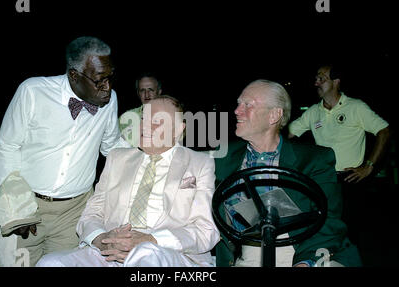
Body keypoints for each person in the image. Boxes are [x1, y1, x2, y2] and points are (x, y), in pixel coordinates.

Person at [0, 36, 130, 266]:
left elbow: (112, 146)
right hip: (29, 207)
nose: (108, 87)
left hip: (74, 212)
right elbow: (7, 148)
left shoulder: (109, 100)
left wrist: (153, 154)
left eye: (110, 77)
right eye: (99, 80)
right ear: (74, 75)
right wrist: (15, 208)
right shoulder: (33, 91)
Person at [36, 96, 220, 267]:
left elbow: (206, 231)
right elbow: (91, 214)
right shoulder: (117, 158)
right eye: (143, 119)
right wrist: (102, 239)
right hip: (111, 250)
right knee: (50, 262)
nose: (145, 128)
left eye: (156, 122)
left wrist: (150, 240)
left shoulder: (200, 163)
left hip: (167, 252)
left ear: (179, 128)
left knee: (146, 255)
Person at [214, 79, 362, 267]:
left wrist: (306, 261)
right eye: (238, 104)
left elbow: (329, 220)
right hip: (251, 251)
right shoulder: (223, 156)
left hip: (304, 248)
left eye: (247, 105)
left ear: (274, 115)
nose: (236, 111)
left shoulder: (314, 159)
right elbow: (182, 161)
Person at [288, 64, 390, 244]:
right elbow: (289, 136)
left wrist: (369, 167)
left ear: (336, 82)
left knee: (349, 230)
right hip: (323, 179)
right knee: (324, 227)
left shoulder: (356, 107)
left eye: (321, 79)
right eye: (316, 79)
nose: (316, 83)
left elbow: (384, 131)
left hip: (351, 179)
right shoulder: (313, 112)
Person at [119, 73, 162, 147]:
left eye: (151, 90)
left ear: (159, 92)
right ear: (138, 93)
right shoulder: (126, 117)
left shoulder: (171, 115)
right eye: (142, 90)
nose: (147, 95)